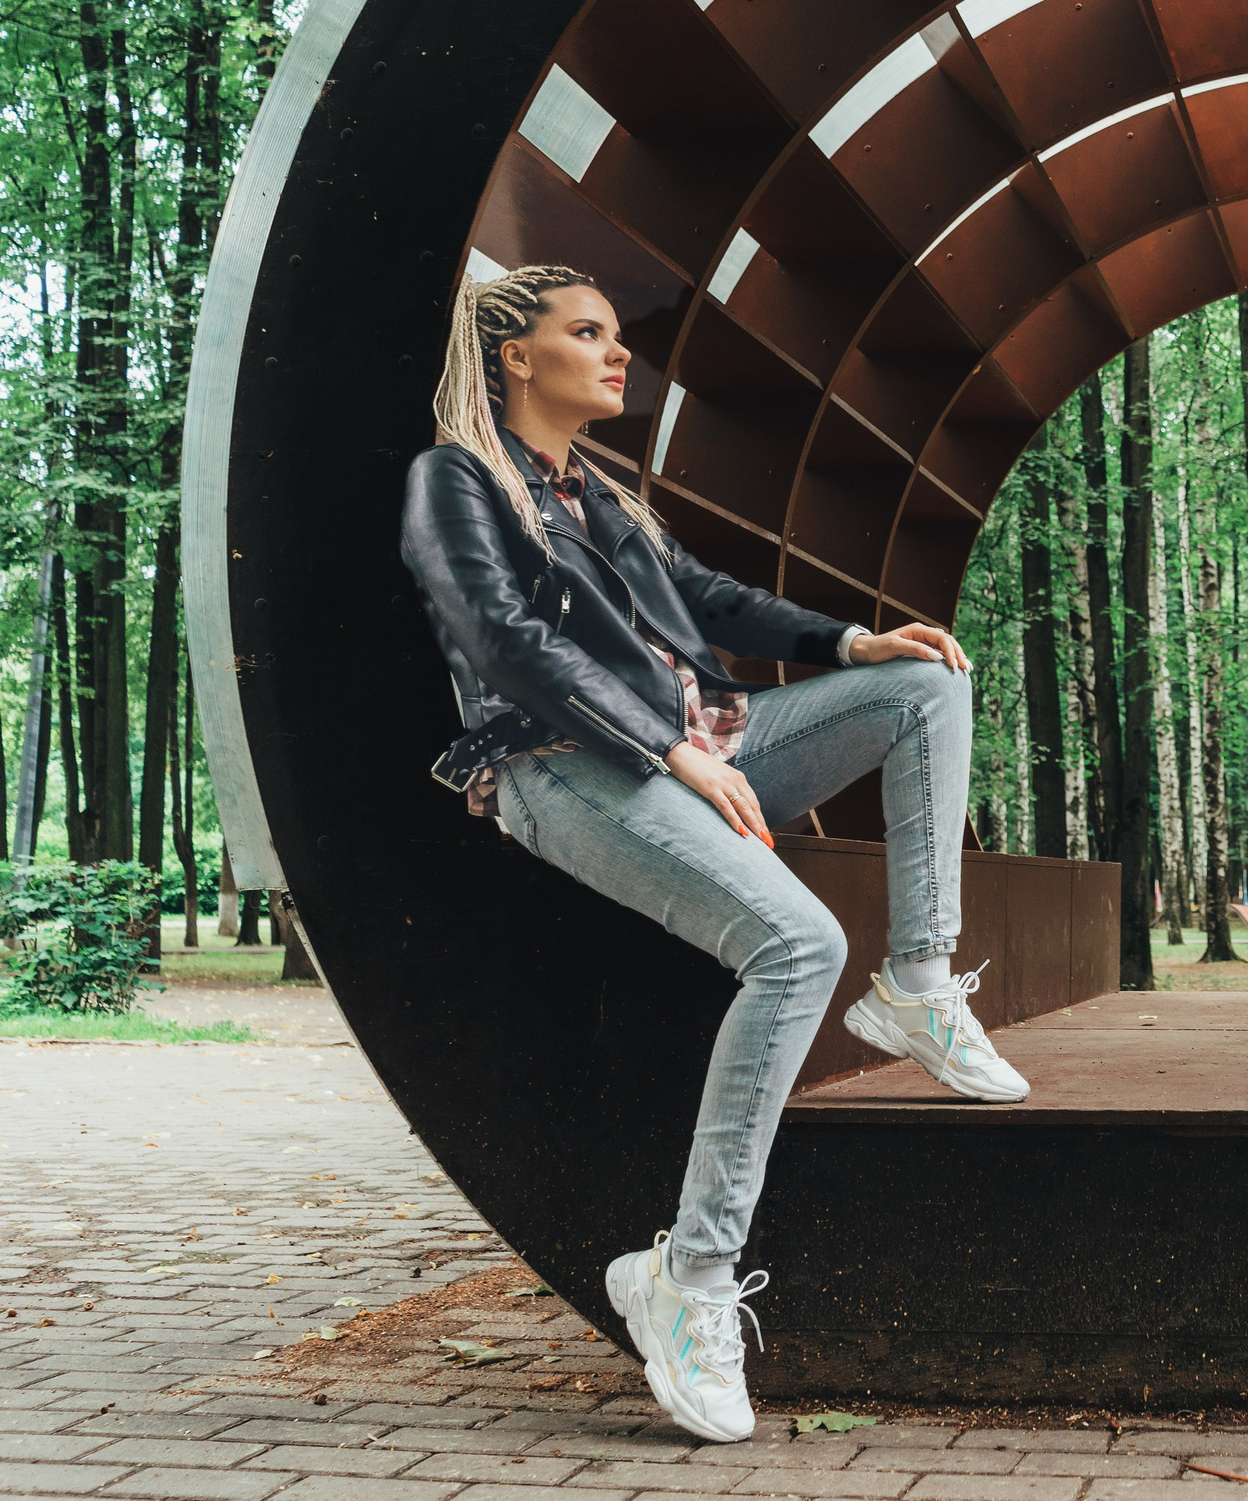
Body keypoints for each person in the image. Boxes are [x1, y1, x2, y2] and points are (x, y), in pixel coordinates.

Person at [399, 265, 1028, 1443]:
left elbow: (706, 598)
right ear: (516, 356)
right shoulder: (457, 482)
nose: (617, 352)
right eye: (587, 332)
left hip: (702, 744)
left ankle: (919, 983)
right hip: (563, 764)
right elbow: (503, 638)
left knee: (925, 683)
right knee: (799, 945)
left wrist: (851, 639)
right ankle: (687, 1279)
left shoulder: (597, 491)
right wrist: (666, 748)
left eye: (616, 333)